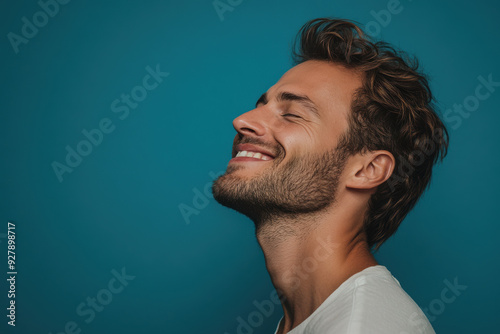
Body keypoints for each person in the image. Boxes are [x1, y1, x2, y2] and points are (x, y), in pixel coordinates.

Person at [212, 18, 448, 334]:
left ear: (367, 170)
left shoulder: (364, 326)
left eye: (292, 115)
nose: (241, 120)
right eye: (261, 105)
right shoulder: (319, 319)